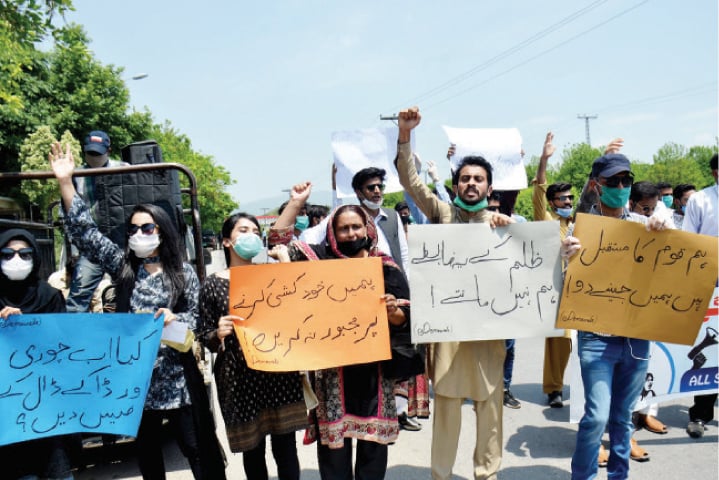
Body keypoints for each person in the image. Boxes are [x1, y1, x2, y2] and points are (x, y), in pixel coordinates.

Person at [48, 143, 226, 480]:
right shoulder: (124, 268)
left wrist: (176, 321)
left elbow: (197, 320)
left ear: (161, 230)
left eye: (147, 228)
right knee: (148, 456)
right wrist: (66, 183)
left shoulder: (182, 272)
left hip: (178, 379)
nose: (139, 234)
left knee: (195, 448)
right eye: (133, 229)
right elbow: (87, 236)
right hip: (137, 381)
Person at [395, 106, 513, 480]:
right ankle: (441, 475)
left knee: (490, 415)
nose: (472, 184)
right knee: (446, 415)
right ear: (456, 183)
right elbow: (412, 183)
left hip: (488, 337)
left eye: (479, 179)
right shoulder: (442, 216)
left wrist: (508, 233)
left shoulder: (506, 226)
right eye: (465, 178)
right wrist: (405, 136)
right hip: (447, 337)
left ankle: (487, 474)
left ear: (489, 188)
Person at [562, 151, 670, 480]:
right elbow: (560, 286)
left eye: (627, 180)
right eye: (614, 181)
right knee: (596, 416)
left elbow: (669, 269)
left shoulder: (645, 227)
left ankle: (619, 476)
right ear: (596, 186)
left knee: (623, 416)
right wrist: (566, 259)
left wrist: (664, 231)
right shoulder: (578, 233)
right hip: (595, 338)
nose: (622, 186)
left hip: (636, 338)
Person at [287, 202, 411, 480]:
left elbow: (407, 317)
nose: (352, 233)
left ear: (367, 228)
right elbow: (278, 245)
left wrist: (393, 312)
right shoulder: (317, 261)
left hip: (376, 374)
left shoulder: (384, 265)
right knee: (334, 453)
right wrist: (296, 203)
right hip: (333, 374)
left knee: (373, 451)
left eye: (356, 226)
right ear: (332, 232)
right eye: (344, 228)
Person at [197, 212, 307, 480]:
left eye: (255, 231)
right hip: (239, 378)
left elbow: (301, 309)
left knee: (286, 448)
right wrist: (217, 333)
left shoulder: (271, 274)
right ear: (226, 242)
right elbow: (202, 334)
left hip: (278, 372)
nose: (251, 236)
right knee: (253, 451)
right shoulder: (212, 284)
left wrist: (286, 266)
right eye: (243, 231)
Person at [0, 229, 78, 480]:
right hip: (6, 412)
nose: (16, 260)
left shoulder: (49, 297)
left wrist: (28, 326)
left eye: (24, 254)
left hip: (45, 408)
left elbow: (62, 348)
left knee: (54, 469)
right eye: (8, 254)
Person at [301, 166, 410, 275]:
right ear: (359, 192)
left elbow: (404, 253)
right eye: (371, 188)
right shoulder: (350, 218)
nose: (377, 191)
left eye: (380, 187)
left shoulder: (392, 216)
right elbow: (309, 237)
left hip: (392, 281)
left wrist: (405, 280)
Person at [532, 132, 573, 409]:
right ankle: (554, 388)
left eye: (571, 197)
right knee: (560, 341)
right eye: (562, 199)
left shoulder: (582, 219)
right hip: (556, 291)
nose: (568, 202)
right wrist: (544, 159)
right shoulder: (545, 220)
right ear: (552, 202)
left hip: (584, 289)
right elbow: (538, 190)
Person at [65, 130, 126, 313]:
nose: (94, 157)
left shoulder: (124, 168)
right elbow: (71, 213)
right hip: (93, 243)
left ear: (108, 150)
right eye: (90, 153)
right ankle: (72, 337)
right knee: (78, 295)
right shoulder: (77, 175)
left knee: (129, 288)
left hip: (121, 241)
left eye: (98, 153)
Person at [682, 153, 718, 439]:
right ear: (715, 173)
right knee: (711, 350)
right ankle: (700, 415)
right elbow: (688, 243)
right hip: (711, 282)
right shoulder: (701, 201)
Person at [487, 192, 521, 410]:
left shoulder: (516, 226)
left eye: (498, 208)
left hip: (510, 299)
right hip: (481, 301)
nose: (495, 213)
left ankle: (504, 389)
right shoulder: (471, 231)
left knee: (508, 347)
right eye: (490, 209)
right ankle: (483, 389)